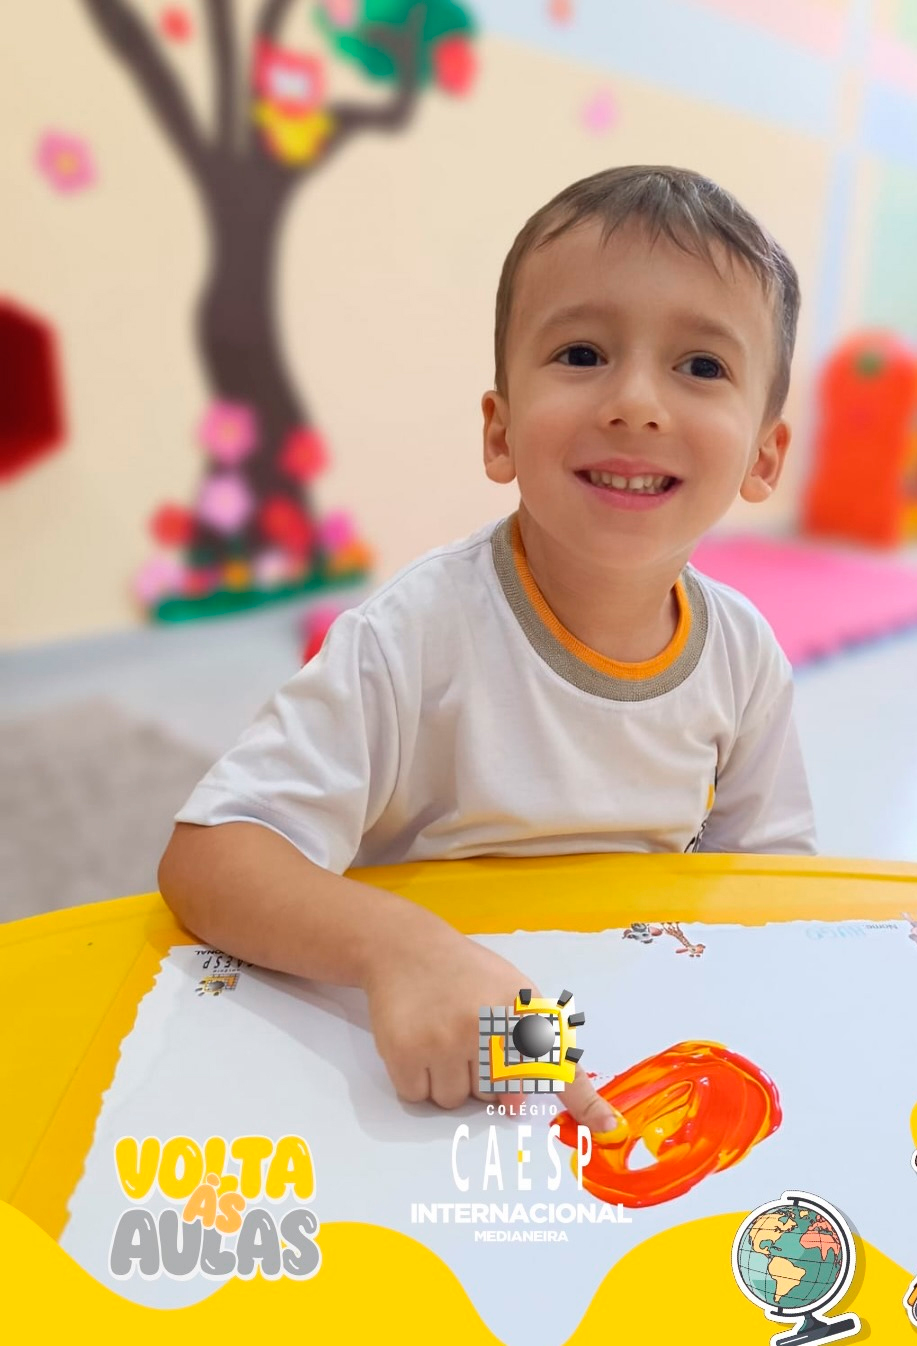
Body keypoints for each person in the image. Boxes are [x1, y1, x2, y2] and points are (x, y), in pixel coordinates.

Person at [158, 164, 816, 1137]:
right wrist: (396, 949)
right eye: (583, 352)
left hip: (633, 1056)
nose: (637, 402)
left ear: (763, 455)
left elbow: (772, 887)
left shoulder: (745, 656)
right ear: (500, 431)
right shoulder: (414, 635)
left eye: (702, 366)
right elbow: (211, 856)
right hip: (421, 1060)